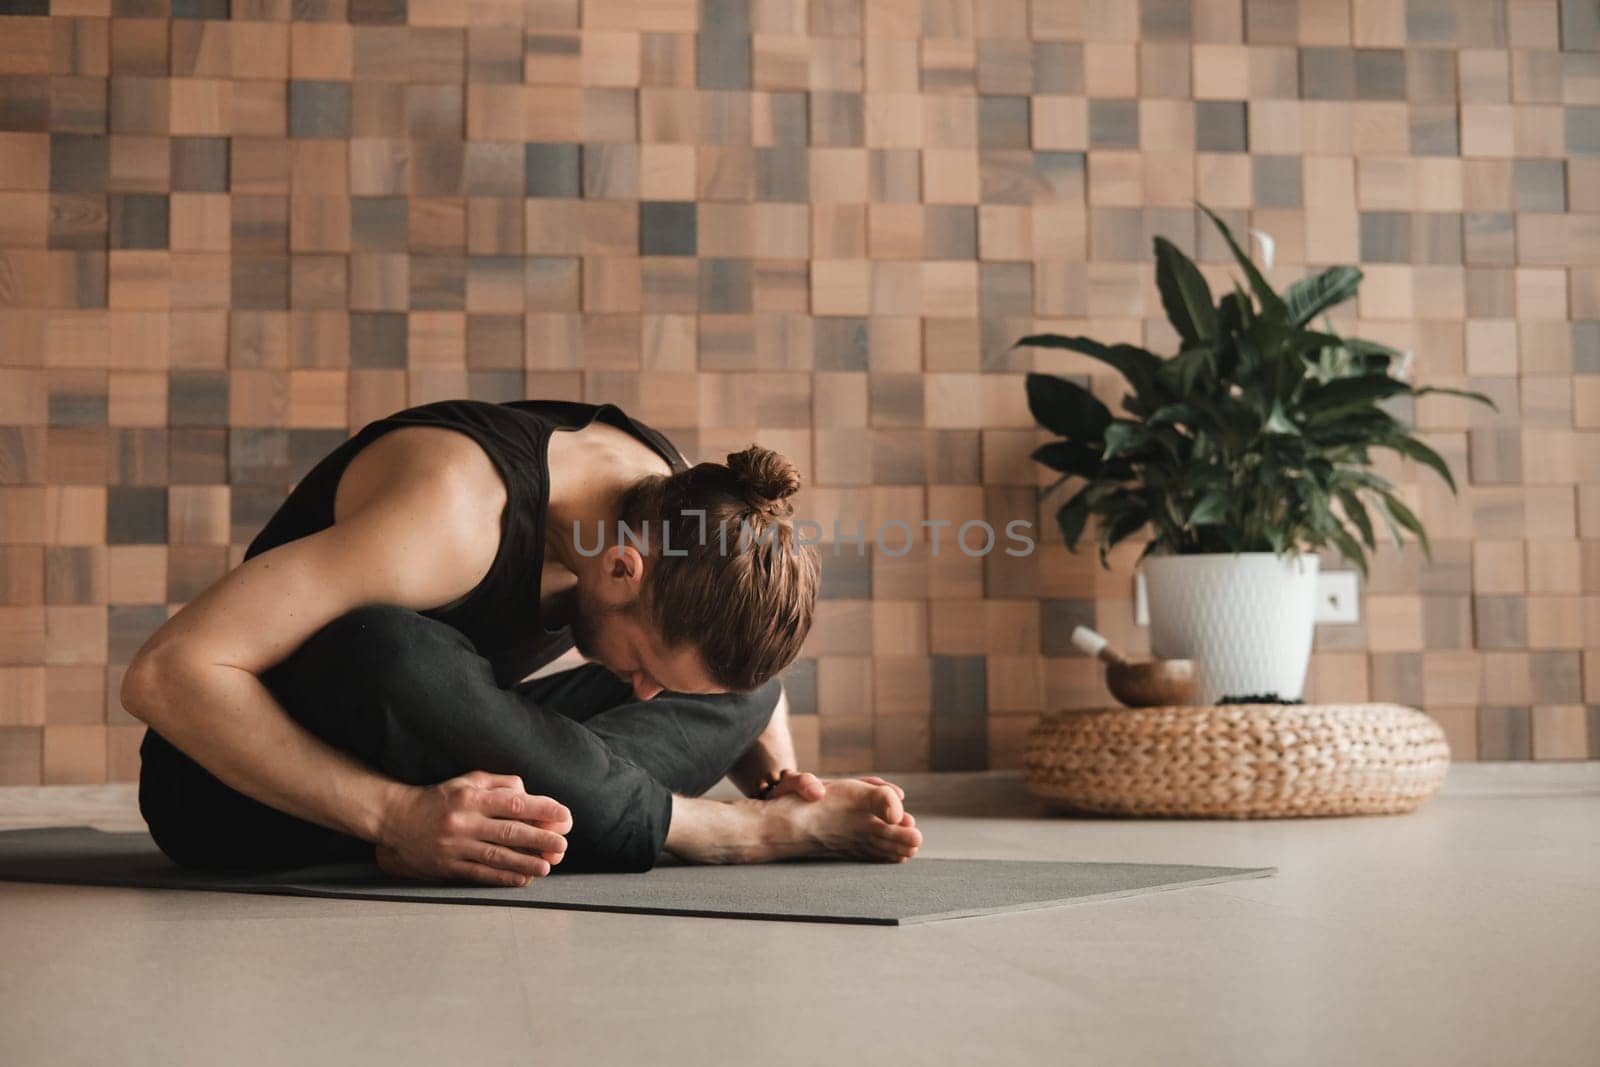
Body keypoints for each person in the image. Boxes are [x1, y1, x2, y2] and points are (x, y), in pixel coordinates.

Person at [122, 398, 923, 886]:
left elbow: (712, 670)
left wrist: (776, 776)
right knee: (394, 650)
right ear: (620, 567)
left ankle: (569, 809)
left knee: (741, 685)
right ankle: (713, 834)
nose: (643, 689)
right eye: (641, 665)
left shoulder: (672, 491)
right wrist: (396, 815)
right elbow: (167, 674)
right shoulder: (450, 512)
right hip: (233, 790)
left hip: (463, 741)